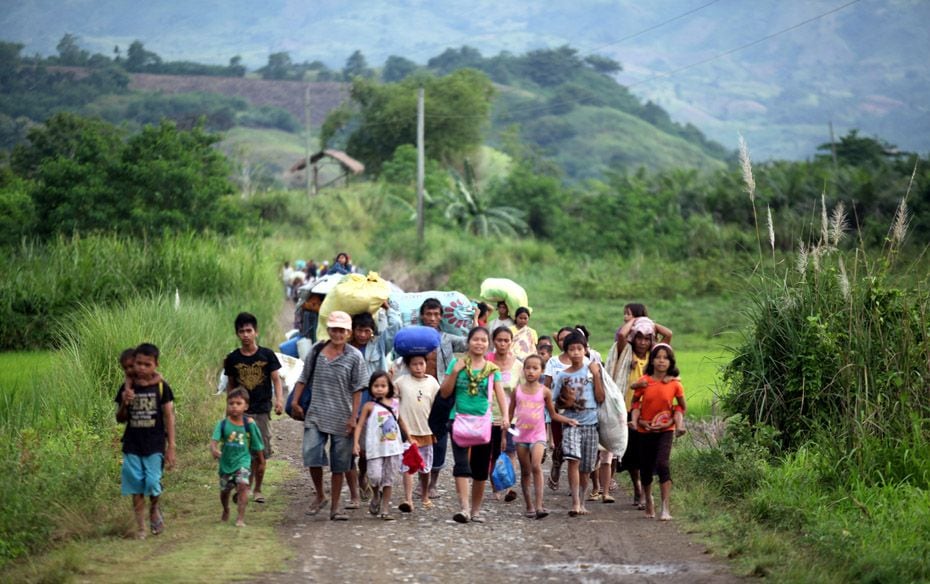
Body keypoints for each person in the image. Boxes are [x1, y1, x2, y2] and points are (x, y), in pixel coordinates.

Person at [290, 311, 369, 521]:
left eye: (342, 330)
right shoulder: (317, 351)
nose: (338, 333)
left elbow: (358, 389)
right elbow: (303, 378)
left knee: (340, 463)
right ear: (328, 330)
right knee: (311, 453)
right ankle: (320, 495)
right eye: (334, 329)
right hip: (316, 413)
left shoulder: (355, 356)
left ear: (348, 332)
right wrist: (295, 402)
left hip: (342, 417)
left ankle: (335, 507)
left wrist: (354, 417)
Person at [439, 327, 509, 523]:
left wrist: (505, 416)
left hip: (483, 422)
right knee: (461, 464)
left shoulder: (491, 369)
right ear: (468, 342)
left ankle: (476, 511)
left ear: (488, 344)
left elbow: (500, 394)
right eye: (475, 339)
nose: (479, 343)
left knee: (480, 468)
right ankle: (464, 509)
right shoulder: (456, 363)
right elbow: (444, 392)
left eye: (483, 340)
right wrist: (454, 371)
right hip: (458, 418)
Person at [115, 343, 176, 539]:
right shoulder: (126, 389)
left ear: (155, 364)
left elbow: (169, 416)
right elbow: (120, 418)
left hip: (155, 444)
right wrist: (125, 402)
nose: (141, 368)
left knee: (152, 482)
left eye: (147, 364)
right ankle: (141, 527)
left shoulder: (161, 387)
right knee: (135, 487)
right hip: (132, 444)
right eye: (138, 364)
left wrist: (171, 446)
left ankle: (154, 508)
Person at [223, 312, 283, 504]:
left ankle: (257, 488)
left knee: (260, 452)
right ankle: (245, 487)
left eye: (249, 331)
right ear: (237, 334)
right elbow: (231, 385)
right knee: (241, 451)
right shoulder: (232, 359)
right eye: (242, 331)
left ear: (256, 332)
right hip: (241, 412)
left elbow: (276, 379)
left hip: (262, 410)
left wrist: (279, 400)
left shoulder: (266, 355)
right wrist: (229, 408)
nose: (246, 335)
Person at [508, 354, 577, 519]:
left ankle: (539, 505)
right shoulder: (516, 391)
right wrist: (505, 435)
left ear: (542, 371)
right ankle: (529, 506)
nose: (531, 371)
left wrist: (568, 420)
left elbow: (553, 415)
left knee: (536, 466)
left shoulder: (545, 391)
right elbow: (509, 416)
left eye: (535, 368)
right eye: (528, 368)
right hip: (521, 437)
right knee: (525, 471)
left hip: (538, 435)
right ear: (523, 370)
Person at [414, 298, 469, 500]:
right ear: (422, 315)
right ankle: (421, 481)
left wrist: (478, 321)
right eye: (428, 314)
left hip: (442, 394)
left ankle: (433, 483)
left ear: (441, 317)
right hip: (417, 393)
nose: (432, 318)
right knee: (417, 436)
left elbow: (468, 342)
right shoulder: (415, 337)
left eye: (436, 314)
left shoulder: (446, 338)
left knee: (440, 439)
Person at [347, 310, 401, 508]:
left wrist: (388, 308)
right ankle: (357, 486)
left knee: (368, 449)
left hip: (373, 405)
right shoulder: (345, 348)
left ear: (372, 332)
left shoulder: (377, 345)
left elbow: (395, 328)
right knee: (351, 448)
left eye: (367, 331)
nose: (362, 335)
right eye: (359, 330)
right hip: (350, 402)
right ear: (352, 331)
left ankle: (364, 477)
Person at [631, 343, 686, 521]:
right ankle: (648, 499)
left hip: (666, 430)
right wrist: (639, 421)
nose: (661, 361)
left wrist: (672, 420)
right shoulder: (644, 381)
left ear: (670, 362)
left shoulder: (675, 384)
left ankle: (665, 508)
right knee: (646, 468)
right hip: (644, 429)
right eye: (658, 357)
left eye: (665, 358)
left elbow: (681, 407)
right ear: (652, 360)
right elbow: (634, 402)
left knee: (662, 464)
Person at [551, 332, 604, 517]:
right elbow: (554, 402)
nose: (575, 352)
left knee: (586, 467)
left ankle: (582, 501)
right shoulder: (562, 376)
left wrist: (597, 375)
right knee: (574, 460)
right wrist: (565, 403)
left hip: (591, 424)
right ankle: (574, 503)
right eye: (571, 349)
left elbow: (600, 397)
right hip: (571, 424)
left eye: (579, 349)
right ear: (566, 351)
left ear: (585, 350)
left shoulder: (592, 371)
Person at [353, 371, 407, 521]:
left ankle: (385, 509)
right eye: (376, 386)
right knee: (375, 476)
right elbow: (359, 426)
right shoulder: (368, 406)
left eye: (383, 385)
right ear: (370, 388)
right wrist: (356, 443)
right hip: (375, 448)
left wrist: (410, 438)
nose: (379, 389)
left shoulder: (395, 404)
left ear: (389, 387)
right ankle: (376, 494)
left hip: (393, 448)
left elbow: (401, 421)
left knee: (388, 479)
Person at [210, 388, 265, 527]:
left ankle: (240, 518)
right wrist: (214, 449)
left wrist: (261, 461)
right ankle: (226, 509)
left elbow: (258, 444)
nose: (234, 406)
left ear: (245, 406)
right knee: (225, 490)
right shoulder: (222, 424)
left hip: (243, 461)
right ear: (227, 405)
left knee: (242, 485)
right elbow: (214, 441)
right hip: (226, 464)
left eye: (238, 403)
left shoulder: (249, 424)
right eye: (231, 403)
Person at [395, 354, 440, 512]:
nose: (418, 367)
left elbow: (437, 406)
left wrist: (437, 428)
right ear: (408, 366)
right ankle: (407, 499)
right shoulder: (401, 382)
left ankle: (425, 494)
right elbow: (393, 400)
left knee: (425, 467)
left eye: (421, 364)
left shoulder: (432, 382)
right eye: (414, 364)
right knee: (408, 466)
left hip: (426, 431)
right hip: (408, 432)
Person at [543, 326, 586, 490]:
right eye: (561, 339)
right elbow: (546, 386)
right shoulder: (553, 362)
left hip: (579, 412)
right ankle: (556, 463)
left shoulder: (586, 362)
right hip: (557, 411)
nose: (564, 341)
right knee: (562, 445)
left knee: (576, 449)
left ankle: (575, 487)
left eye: (568, 338)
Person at [487, 326, 522, 503]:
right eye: (499, 340)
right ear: (493, 341)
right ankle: (495, 488)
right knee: (492, 453)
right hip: (488, 415)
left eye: (506, 340)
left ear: (511, 342)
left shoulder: (518, 365)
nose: (503, 343)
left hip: (511, 416)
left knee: (510, 451)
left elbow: (522, 390)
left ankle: (509, 487)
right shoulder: (486, 362)